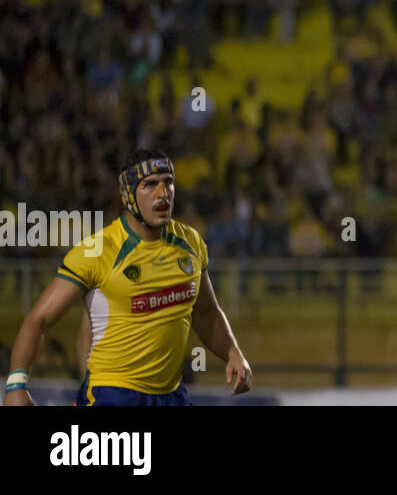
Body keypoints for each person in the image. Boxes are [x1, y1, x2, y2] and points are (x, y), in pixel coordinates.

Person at [4, 150, 252, 406]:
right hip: (112, 396)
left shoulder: (190, 242)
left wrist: (232, 352)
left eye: (168, 182)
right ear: (127, 194)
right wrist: (16, 384)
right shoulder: (97, 251)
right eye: (149, 185)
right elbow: (39, 319)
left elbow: (206, 314)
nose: (162, 193)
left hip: (172, 396)